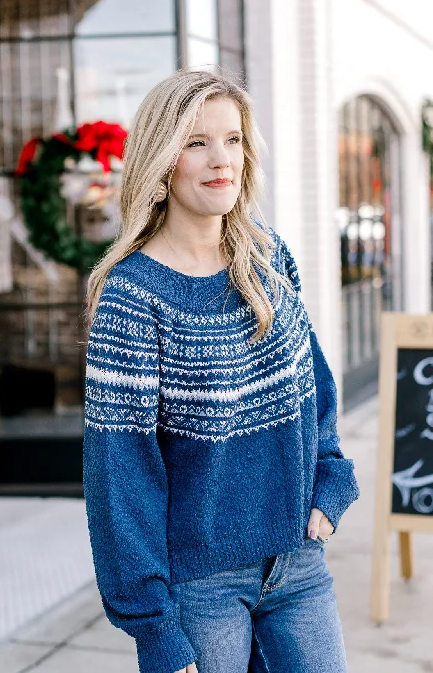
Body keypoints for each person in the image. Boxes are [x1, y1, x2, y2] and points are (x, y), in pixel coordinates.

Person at [82, 68, 360, 673]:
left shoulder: (268, 257)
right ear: (162, 161)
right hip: (201, 588)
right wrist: (155, 629)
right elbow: (119, 475)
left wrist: (330, 481)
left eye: (233, 139)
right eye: (196, 141)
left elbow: (313, 387)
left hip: (299, 562)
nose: (220, 159)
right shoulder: (132, 298)